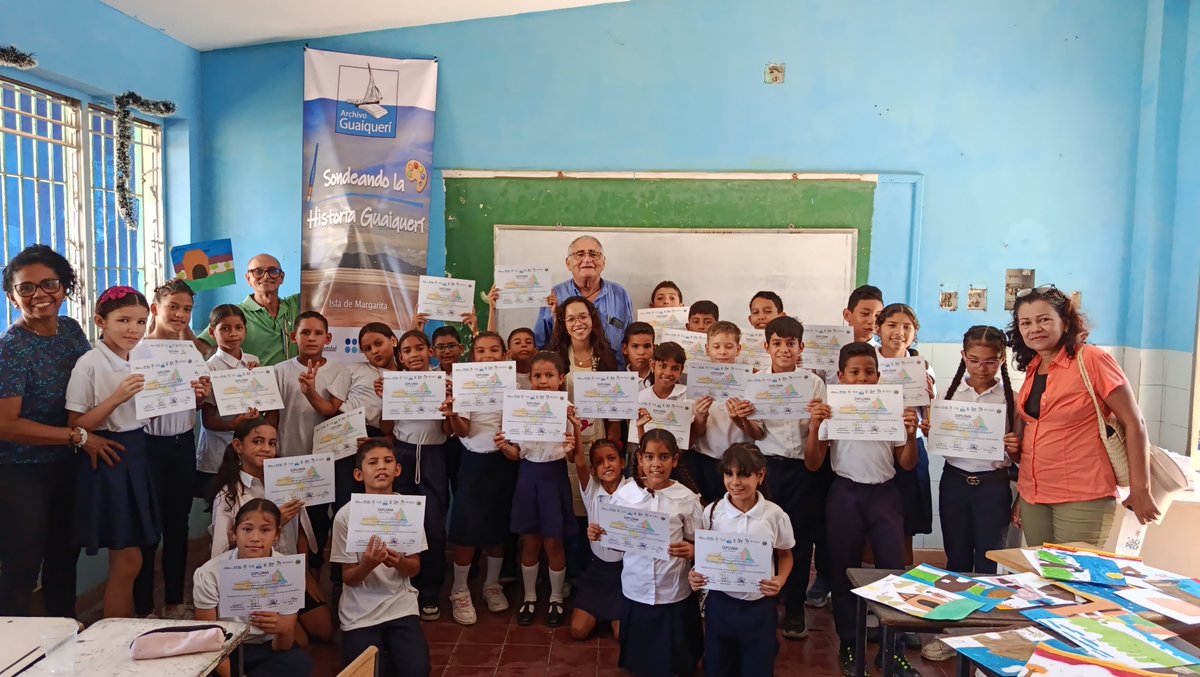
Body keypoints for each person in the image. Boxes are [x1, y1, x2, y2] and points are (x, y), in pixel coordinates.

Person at [65, 286, 199, 618]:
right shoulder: (90, 363)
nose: (133, 330)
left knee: (133, 557)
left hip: (138, 453)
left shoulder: (135, 359)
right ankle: (120, 629)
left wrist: (177, 394)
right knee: (126, 559)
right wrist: (116, 398)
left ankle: (127, 627)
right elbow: (76, 425)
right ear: (101, 321)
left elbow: (141, 413)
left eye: (139, 322)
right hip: (112, 457)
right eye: (123, 320)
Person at [0, 244, 113, 617]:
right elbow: (7, 424)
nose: (39, 295)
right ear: (13, 297)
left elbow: (92, 381)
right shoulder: (10, 350)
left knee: (65, 559)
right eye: (26, 288)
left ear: (65, 286)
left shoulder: (70, 329)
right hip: (23, 473)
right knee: (21, 568)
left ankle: (65, 640)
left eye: (49, 283)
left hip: (69, 466)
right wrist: (77, 436)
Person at [1007, 285, 1158, 546]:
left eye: (1044, 320)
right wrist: (1023, 492)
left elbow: (1135, 422)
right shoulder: (1034, 366)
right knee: (1040, 580)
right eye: (1026, 323)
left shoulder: (1092, 359)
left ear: (1065, 323)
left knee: (1074, 579)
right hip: (1034, 496)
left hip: (1082, 494)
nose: (1035, 329)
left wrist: (1140, 489)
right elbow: (1037, 433)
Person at [806, 342, 922, 677]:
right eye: (854, 372)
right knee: (845, 572)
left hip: (885, 496)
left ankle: (892, 650)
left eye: (869, 372)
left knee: (892, 573)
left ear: (879, 375)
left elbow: (907, 463)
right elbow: (814, 464)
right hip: (845, 495)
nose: (862, 379)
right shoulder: (832, 410)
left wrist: (912, 436)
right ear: (840, 377)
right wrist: (815, 427)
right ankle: (850, 643)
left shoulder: (891, 408)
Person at [591, 429, 704, 677]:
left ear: (675, 460)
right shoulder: (624, 495)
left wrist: (693, 550)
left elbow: (702, 542)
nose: (656, 464)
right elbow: (616, 541)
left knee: (676, 662)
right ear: (639, 459)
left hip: (672, 588)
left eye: (664, 457)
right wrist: (600, 534)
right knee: (640, 662)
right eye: (650, 457)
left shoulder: (686, 498)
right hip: (636, 586)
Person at [741, 316, 826, 640]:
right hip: (769, 469)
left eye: (791, 343)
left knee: (800, 540)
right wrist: (742, 420)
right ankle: (764, 602)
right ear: (767, 347)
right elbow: (757, 431)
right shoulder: (757, 382)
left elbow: (817, 432)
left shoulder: (813, 383)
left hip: (804, 470)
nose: (784, 349)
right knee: (764, 536)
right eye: (777, 343)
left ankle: (795, 608)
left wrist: (819, 419)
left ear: (800, 348)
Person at [210, 417, 329, 644]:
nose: (266, 448)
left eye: (272, 443)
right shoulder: (229, 497)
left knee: (325, 631)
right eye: (257, 441)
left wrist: (304, 576)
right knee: (298, 644)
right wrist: (276, 523)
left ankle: (293, 614)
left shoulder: (286, 484)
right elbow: (222, 555)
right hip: (255, 582)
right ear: (238, 447)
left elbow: (302, 532)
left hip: (287, 575)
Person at [133, 279, 208, 619]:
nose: (180, 314)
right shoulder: (137, 349)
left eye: (187, 309)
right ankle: (144, 608)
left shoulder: (190, 350)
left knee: (177, 526)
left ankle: (175, 601)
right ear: (155, 309)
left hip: (182, 445)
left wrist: (200, 396)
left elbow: (196, 399)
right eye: (173, 307)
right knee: (147, 531)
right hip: (148, 447)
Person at [688, 443, 794, 677]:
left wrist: (780, 579)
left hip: (760, 607)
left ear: (760, 475)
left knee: (757, 666)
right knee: (718, 665)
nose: (735, 482)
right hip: (721, 604)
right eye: (729, 473)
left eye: (744, 474)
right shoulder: (713, 512)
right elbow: (705, 553)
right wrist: (695, 573)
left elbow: (785, 554)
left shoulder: (774, 514)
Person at [331, 439, 431, 677]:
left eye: (388, 461)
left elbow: (414, 568)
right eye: (372, 462)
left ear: (397, 469)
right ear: (358, 474)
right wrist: (368, 564)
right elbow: (349, 578)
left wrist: (399, 562)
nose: (381, 467)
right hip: (360, 613)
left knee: (417, 671)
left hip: (400, 605)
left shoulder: (409, 509)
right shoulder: (345, 516)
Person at [496, 351, 579, 627]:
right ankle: (529, 596)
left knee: (554, 542)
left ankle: (556, 597)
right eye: (537, 376)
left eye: (549, 376)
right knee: (530, 541)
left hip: (554, 477)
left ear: (560, 378)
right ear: (529, 379)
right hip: (528, 476)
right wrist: (505, 446)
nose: (543, 381)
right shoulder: (520, 406)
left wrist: (571, 448)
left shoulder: (567, 410)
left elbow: (570, 456)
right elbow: (516, 454)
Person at [443, 331, 519, 625]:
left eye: (494, 350)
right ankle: (460, 590)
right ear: (472, 357)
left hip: (504, 461)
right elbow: (461, 431)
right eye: (481, 351)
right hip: (474, 462)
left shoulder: (513, 384)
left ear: (504, 355)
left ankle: (491, 584)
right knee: (467, 528)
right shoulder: (465, 385)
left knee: (499, 527)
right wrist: (452, 414)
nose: (488, 356)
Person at [194, 499, 314, 677]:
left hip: (266, 646)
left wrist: (282, 628)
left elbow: (283, 645)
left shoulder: (289, 571)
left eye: (265, 530)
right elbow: (209, 641)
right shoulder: (208, 574)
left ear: (277, 535)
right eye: (247, 529)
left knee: (300, 664)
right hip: (225, 648)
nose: (255, 538)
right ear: (234, 533)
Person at [384, 330, 454, 621]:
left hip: (434, 457)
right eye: (408, 351)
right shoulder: (394, 384)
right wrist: (387, 398)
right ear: (400, 357)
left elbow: (450, 432)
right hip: (401, 454)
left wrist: (450, 407)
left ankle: (429, 592)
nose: (414, 355)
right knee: (400, 525)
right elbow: (387, 426)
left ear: (431, 353)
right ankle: (402, 588)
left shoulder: (445, 382)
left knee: (433, 528)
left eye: (420, 348)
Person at [939, 326, 1019, 574]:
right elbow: (941, 445)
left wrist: (1015, 448)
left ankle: (983, 610)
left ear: (1002, 359)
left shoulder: (1012, 398)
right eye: (974, 360)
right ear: (963, 356)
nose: (981, 368)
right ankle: (956, 608)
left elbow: (1021, 456)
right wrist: (936, 432)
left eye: (990, 362)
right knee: (956, 555)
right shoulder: (947, 395)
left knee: (989, 558)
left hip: (993, 487)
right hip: (954, 483)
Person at [876, 304, 936, 564]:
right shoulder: (867, 361)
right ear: (878, 329)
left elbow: (931, 421)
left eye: (907, 327)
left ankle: (903, 580)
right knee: (873, 517)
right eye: (892, 325)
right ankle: (868, 582)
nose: (899, 332)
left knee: (907, 521)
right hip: (877, 447)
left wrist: (931, 398)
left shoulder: (923, 366)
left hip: (912, 447)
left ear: (915, 331)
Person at [535, 236, 634, 368]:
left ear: (603, 262)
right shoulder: (554, 295)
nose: (587, 259)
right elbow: (541, 344)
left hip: (614, 379)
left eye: (594, 254)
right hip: (566, 376)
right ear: (568, 263)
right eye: (579, 254)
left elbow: (631, 341)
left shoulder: (620, 294)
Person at [198, 305, 261, 502]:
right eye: (225, 328)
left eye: (238, 327)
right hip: (218, 454)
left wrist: (260, 380)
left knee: (245, 506)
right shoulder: (208, 369)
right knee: (220, 509)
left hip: (246, 454)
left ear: (246, 330)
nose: (233, 334)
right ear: (212, 332)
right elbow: (208, 421)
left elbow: (262, 403)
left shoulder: (253, 362)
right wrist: (233, 425)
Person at [569, 439, 629, 640]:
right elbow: (579, 464)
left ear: (623, 462)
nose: (607, 465)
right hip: (599, 569)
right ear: (594, 470)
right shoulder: (592, 490)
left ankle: (615, 616)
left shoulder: (634, 490)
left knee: (622, 635)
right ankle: (601, 614)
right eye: (600, 462)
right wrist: (576, 427)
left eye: (612, 459)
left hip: (626, 571)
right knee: (577, 631)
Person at [688, 321, 753, 503]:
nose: (722, 352)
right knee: (710, 510)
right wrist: (701, 415)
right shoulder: (698, 383)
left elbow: (757, 430)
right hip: (707, 461)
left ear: (738, 349)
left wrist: (743, 417)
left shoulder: (750, 383)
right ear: (708, 349)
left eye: (729, 346)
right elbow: (697, 432)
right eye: (716, 346)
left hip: (742, 461)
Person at [198, 253, 300, 366]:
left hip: (292, 380)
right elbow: (199, 348)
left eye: (273, 271)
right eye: (258, 271)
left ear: (282, 277)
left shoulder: (295, 304)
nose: (266, 276)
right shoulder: (233, 314)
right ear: (248, 278)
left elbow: (322, 287)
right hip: (255, 381)